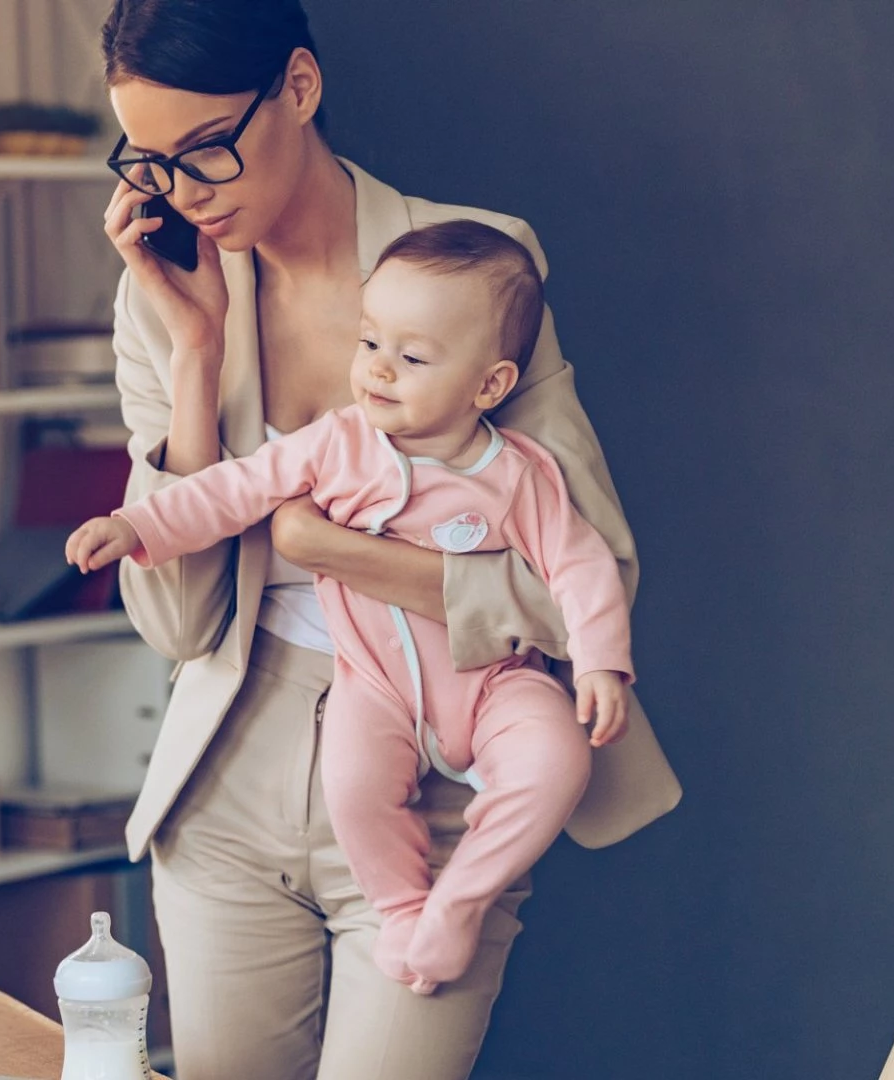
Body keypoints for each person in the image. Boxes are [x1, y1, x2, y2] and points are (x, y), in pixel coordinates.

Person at [96, 1, 683, 1076]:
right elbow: (180, 625)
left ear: (300, 89)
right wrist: (193, 354)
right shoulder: (163, 301)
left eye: (207, 151)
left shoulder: (478, 267)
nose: (182, 193)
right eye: (149, 163)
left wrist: (335, 552)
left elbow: (584, 575)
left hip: (443, 777)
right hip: (228, 782)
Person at [71, 219, 633, 996]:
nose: (377, 371)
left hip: (497, 681)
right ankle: (404, 907)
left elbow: (582, 564)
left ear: (490, 385)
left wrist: (602, 663)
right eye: (370, 343)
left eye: (413, 357)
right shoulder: (336, 442)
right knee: (353, 781)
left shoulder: (518, 473)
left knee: (558, 760)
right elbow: (234, 490)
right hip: (372, 686)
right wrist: (136, 525)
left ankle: (460, 899)